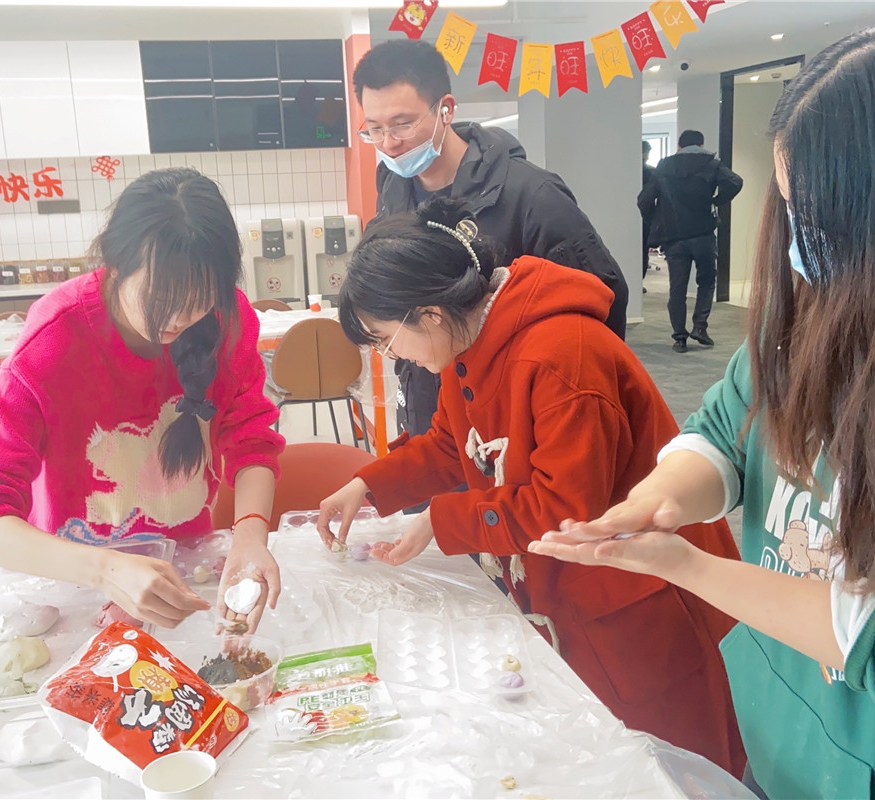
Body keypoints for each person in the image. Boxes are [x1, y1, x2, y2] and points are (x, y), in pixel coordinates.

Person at [534, 22, 875, 799]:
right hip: (784, 717)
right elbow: (723, 424)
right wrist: (660, 499)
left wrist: (689, 567)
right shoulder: (815, 316)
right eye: (790, 209)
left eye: (819, 217)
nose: (798, 247)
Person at [317, 200, 746, 778]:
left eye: (388, 341)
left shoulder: (561, 356)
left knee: (670, 765)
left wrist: (441, 521)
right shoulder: (469, 344)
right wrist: (367, 484)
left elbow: (564, 507)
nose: (398, 359)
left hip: (637, 591)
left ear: (431, 315)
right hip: (572, 584)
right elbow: (451, 445)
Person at [0, 168, 286, 632]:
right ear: (114, 266)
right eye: (161, 297)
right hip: (73, 584)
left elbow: (251, 437)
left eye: (199, 299)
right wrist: (105, 569)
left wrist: (249, 536)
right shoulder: (54, 343)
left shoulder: (227, 317)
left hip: (187, 573)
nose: (180, 317)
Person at [352, 39, 628, 439]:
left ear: (446, 108)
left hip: (515, 414)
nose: (389, 143)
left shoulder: (530, 195)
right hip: (430, 400)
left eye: (402, 124)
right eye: (374, 129)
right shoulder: (394, 186)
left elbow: (602, 299)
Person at [638, 130, 742, 353]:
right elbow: (735, 182)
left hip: (675, 238)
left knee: (677, 288)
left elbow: (644, 199)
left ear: (678, 145)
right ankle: (700, 327)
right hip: (703, 234)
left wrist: (656, 219)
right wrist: (717, 200)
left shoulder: (664, 167)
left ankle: (679, 338)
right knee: (706, 282)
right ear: (701, 144)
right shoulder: (711, 164)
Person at [640, 140, 656, 291]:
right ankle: (639, 282)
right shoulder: (652, 172)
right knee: (642, 252)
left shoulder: (621, 169)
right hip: (645, 217)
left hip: (629, 215)